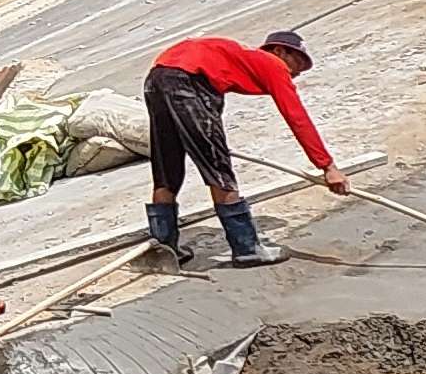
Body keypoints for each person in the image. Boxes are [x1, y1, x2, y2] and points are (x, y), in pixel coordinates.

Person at [142, 29, 350, 267]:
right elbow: (297, 117)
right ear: (279, 51)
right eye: (296, 64)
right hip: (189, 80)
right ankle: (246, 248)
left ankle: (164, 250)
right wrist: (327, 166)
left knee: (167, 165)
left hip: (157, 78)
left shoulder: (240, 57)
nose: (294, 75)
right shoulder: (272, 63)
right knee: (218, 168)